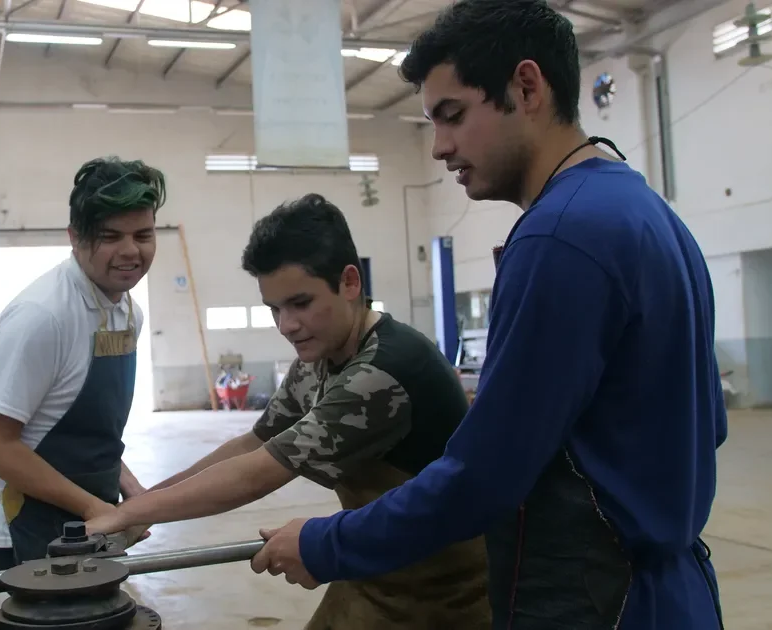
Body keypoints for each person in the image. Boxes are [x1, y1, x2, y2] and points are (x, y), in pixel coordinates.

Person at [249, 1, 728, 629]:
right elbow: (706, 426)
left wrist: (324, 542)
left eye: (453, 117)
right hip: (675, 596)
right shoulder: (652, 217)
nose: (442, 148)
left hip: (598, 601)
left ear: (526, 87)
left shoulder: (556, 237)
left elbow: (483, 479)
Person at [86, 194, 491, 629]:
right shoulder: (317, 359)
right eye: (275, 309)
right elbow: (254, 443)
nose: (286, 326)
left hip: (442, 593)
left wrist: (129, 514)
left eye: (301, 303)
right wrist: (143, 504)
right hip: (373, 571)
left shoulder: (382, 372)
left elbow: (260, 471)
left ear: (350, 282)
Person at [0, 156, 164, 571]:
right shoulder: (43, 316)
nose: (131, 251)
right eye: (110, 236)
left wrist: (130, 492)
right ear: (75, 238)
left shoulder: (128, 312)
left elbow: (86, 434)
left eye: (143, 234)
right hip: (25, 526)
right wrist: (98, 509)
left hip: (89, 526)